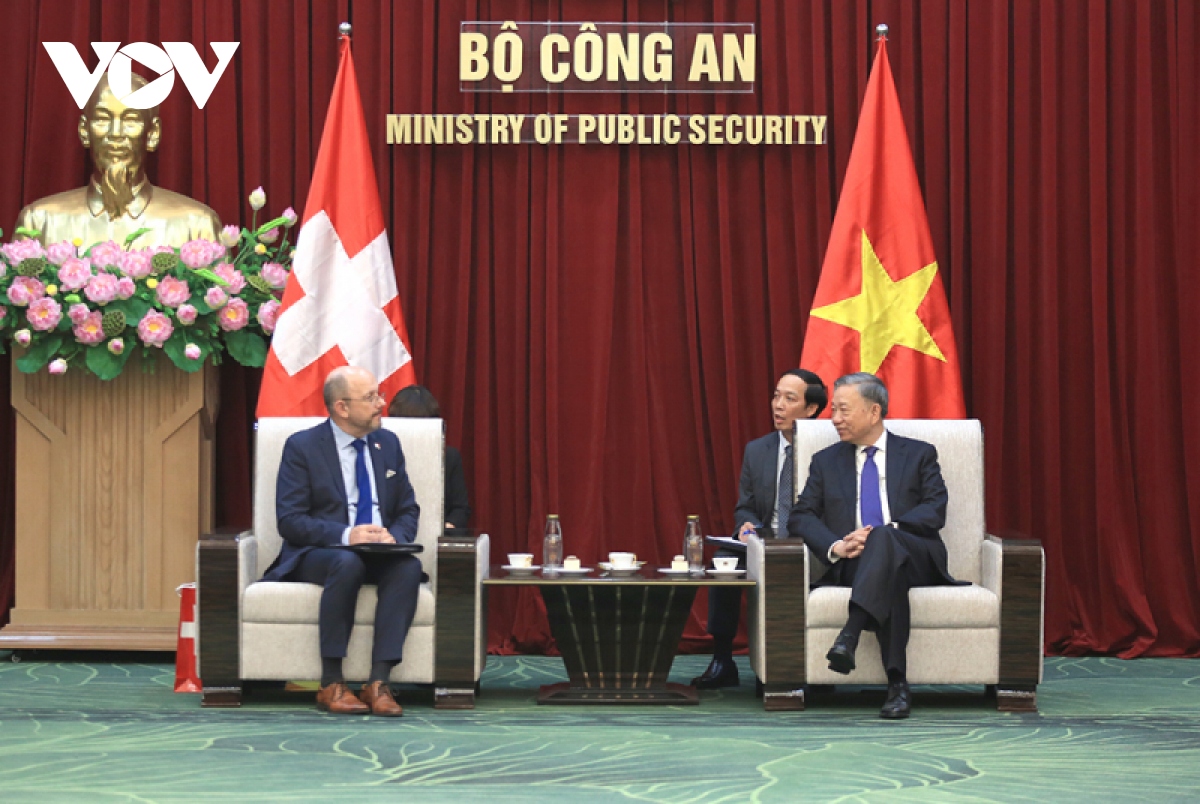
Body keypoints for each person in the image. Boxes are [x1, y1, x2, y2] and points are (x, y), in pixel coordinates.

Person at [789, 372, 959, 719]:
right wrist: (837, 546)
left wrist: (889, 530)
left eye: (844, 409)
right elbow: (801, 515)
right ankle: (897, 683)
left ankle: (850, 633)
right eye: (833, 410)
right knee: (889, 574)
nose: (835, 418)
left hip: (916, 554)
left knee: (884, 539)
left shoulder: (918, 454)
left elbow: (935, 508)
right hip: (856, 561)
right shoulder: (825, 461)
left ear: (874, 411)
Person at [262, 366, 423, 716]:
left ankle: (378, 682)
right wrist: (346, 535)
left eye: (379, 395)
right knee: (346, 561)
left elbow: (408, 508)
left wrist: (395, 537)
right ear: (342, 408)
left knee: (408, 567)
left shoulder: (388, 444)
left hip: (378, 550)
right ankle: (331, 681)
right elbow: (290, 520)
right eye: (370, 398)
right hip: (322, 552)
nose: (381, 403)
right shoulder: (303, 447)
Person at [691, 368, 828, 690]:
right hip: (765, 540)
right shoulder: (758, 450)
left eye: (789, 399)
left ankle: (809, 667)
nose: (778, 405)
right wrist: (746, 525)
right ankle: (722, 659)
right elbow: (746, 505)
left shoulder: (829, 449)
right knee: (724, 563)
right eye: (776, 396)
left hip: (811, 543)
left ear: (811, 408)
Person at [17, 73, 219, 250]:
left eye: (131, 119)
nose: (115, 134)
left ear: (153, 133)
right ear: (84, 131)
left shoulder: (198, 226)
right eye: (102, 119)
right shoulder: (38, 223)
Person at [387, 385, 470, 530]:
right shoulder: (382, 455)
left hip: (437, 534)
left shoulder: (449, 457)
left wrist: (445, 528)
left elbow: (460, 509)